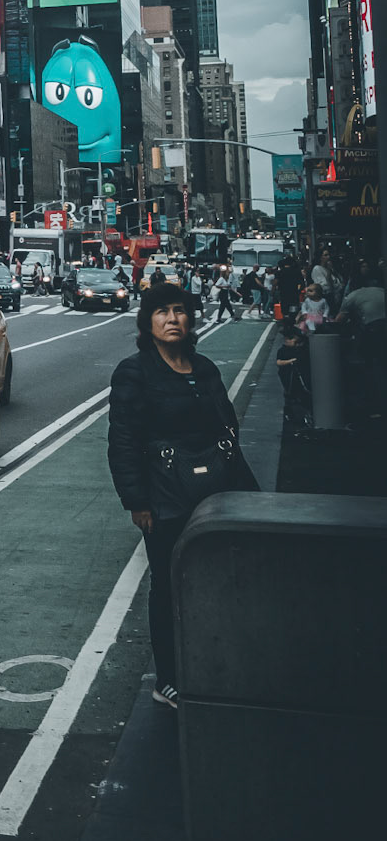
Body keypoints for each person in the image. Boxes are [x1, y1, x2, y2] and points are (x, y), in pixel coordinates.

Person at [108, 281, 258, 711]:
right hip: (165, 497)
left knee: (224, 577)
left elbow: (227, 426)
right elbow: (122, 442)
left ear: (191, 319)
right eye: (162, 312)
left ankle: (214, 658)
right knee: (168, 584)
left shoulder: (204, 367)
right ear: (147, 321)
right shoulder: (134, 373)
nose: (172, 319)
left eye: (179, 311)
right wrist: (136, 502)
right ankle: (169, 678)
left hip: (217, 491)